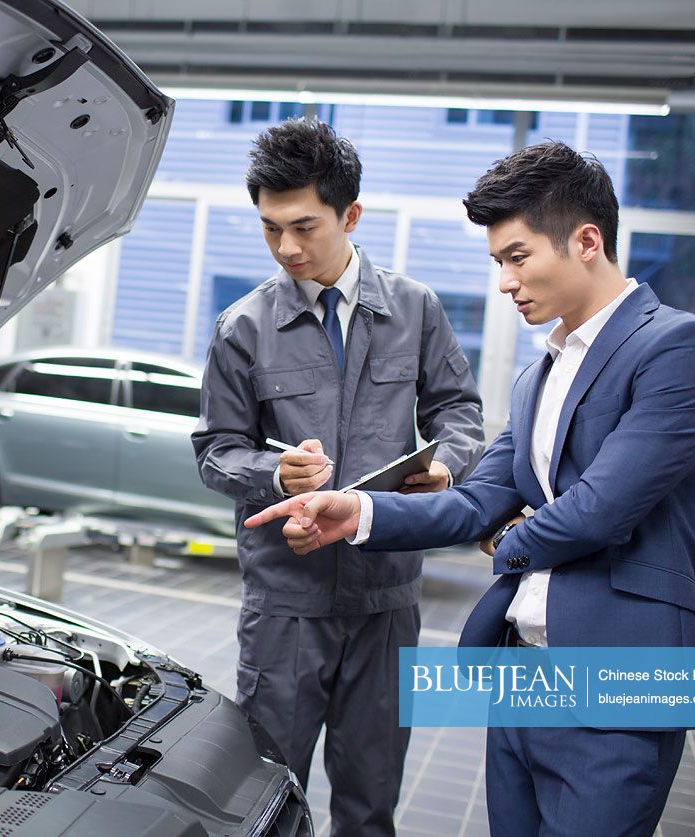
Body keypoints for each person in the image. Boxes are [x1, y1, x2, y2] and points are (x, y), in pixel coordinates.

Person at [243, 140, 695, 836]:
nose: (503, 281)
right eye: (496, 262)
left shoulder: (677, 349)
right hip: (522, 676)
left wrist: (510, 539)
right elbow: (476, 498)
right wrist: (353, 511)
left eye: (516, 256)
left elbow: (596, 510)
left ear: (585, 241)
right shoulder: (540, 374)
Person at [191, 118, 485, 837]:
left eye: (303, 226)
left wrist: (448, 461)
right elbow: (214, 451)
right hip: (285, 605)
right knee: (265, 795)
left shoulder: (414, 309)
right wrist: (273, 472)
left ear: (350, 215)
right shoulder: (242, 327)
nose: (286, 248)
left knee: (370, 797)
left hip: (385, 600)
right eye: (269, 229)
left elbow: (460, 411)